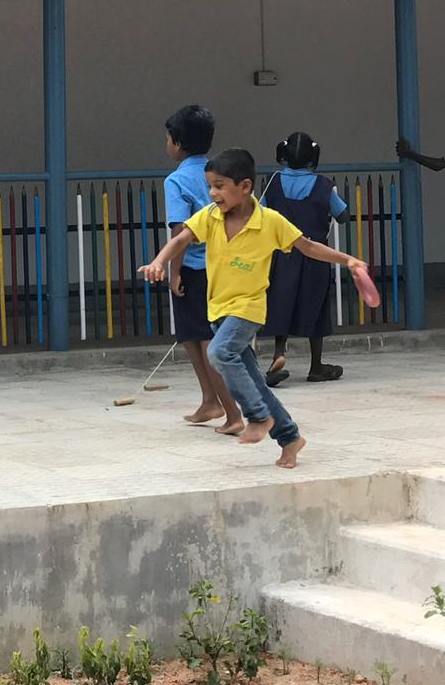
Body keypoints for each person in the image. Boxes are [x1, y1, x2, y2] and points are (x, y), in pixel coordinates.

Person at [140, 149, 366, 469]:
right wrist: (159, 262)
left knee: (218, 354)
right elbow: (181, 238)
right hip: (218, 309)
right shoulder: (210, 216)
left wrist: (348, 260)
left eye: (219, 186)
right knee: (256, 382)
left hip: (248, 308)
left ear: (244, 187)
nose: (212, 194)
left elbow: (308, 246)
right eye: (210, 187)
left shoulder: (269, 221)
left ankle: (258, 417)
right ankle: (290, 438)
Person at [161, 105, 243, 435]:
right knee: (192, 336)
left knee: (206, 339)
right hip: (222, 265)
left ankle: (233, 413)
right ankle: (210, 400)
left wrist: (174, 270)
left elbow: (180, 229)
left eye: (167, 137)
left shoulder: (177, 179)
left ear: (177, 142)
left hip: (195, 267)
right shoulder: (218, 172)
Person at [260, 132, 350, 387]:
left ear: (283, 155)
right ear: (314, 156)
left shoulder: (273, 182)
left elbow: (261, 211)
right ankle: (316, 365)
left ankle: (279, 355)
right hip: (315, 254)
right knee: (317, 307)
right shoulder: (324, 185)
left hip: (281, 253)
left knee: (280, 302)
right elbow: (343, 215)